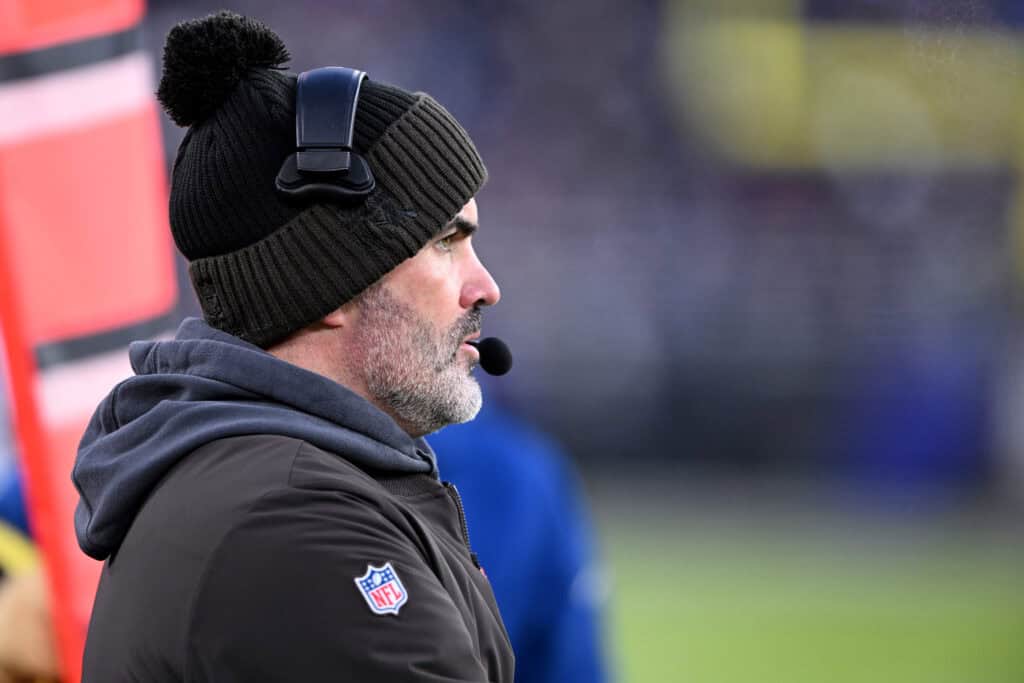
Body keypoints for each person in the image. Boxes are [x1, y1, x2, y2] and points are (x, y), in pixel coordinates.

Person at [72, 11, 512, 682]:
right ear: (330, 286)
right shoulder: (294, 525)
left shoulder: (263, 483)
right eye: (446, 242)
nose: (486, 287)